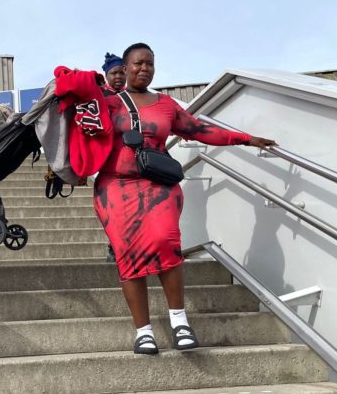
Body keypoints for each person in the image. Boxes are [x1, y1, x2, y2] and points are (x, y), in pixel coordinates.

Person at [93, 43, 277, 355]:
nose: (145, 69)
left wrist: (245, 139)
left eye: (150, 64)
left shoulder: (165, 105)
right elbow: (81, 137)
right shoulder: (106, 103)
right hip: (115, 188)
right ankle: (143, 331)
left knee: (166, 241)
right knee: (128, 254)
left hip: (158, 185)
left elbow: (199, 129)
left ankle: (179, 321)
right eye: (138, 63)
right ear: (124, 68)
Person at [100, 52, 125, 262]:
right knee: (114, 207)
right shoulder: (100, 96)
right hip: (109, 160)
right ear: (106, 76)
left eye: (121, 72)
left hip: (135, 159)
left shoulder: (134, 95)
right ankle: (114, 246)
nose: (118, 77)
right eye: (113, 73)